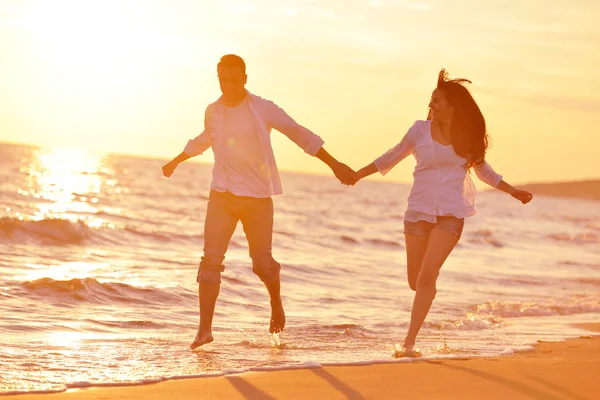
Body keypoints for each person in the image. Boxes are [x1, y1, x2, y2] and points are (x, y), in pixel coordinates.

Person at [162, 54, 357, 349]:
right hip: (222, 195)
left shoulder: (262, 108)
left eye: (233, 79)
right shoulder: (213, 111)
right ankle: (204, 330)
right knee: (210, 261)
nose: (227, 85)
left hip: (257, 199)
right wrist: (176, 160)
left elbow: (298, 133)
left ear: (244, 78)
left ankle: (276, 303)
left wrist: (334, 163)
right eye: (222, 79)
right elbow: (205, 139)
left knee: (261, 264)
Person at [354, 69, 533, 357]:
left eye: (437, 100)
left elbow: (484, 172)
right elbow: (392, 155)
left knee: (426, 277)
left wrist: (513, 191)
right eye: (431, 99)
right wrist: (357, 174)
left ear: (453, 105)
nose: (431, 104)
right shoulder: (418, 131)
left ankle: (409, 343)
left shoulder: (467, 139)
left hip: (450, 214)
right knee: (416, 281)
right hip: (417, 212)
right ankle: (427, 290)